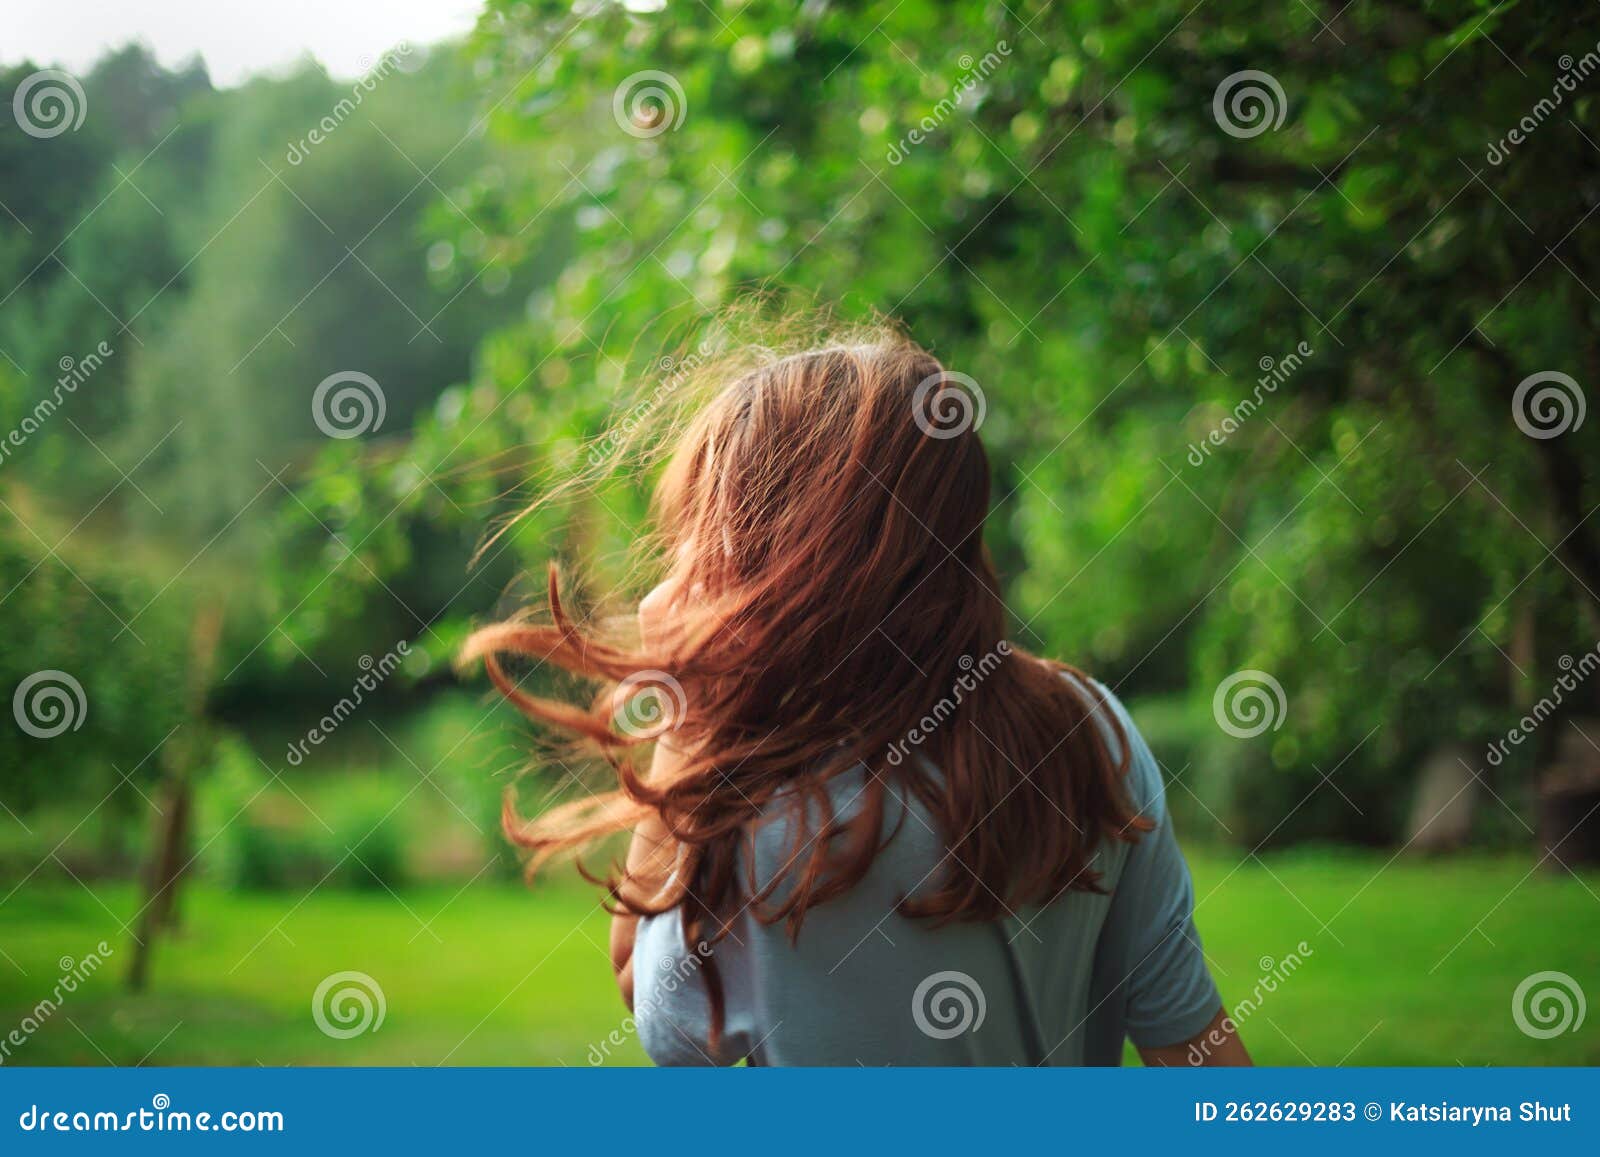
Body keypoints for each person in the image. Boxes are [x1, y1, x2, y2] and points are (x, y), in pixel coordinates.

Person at [461, 324, 1248, 1067]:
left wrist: (689, 709)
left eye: (696, 543)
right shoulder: (1087, 726)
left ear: (784, 559)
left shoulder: (764, 811)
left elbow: (664, 1015)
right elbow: (1191, 1039)